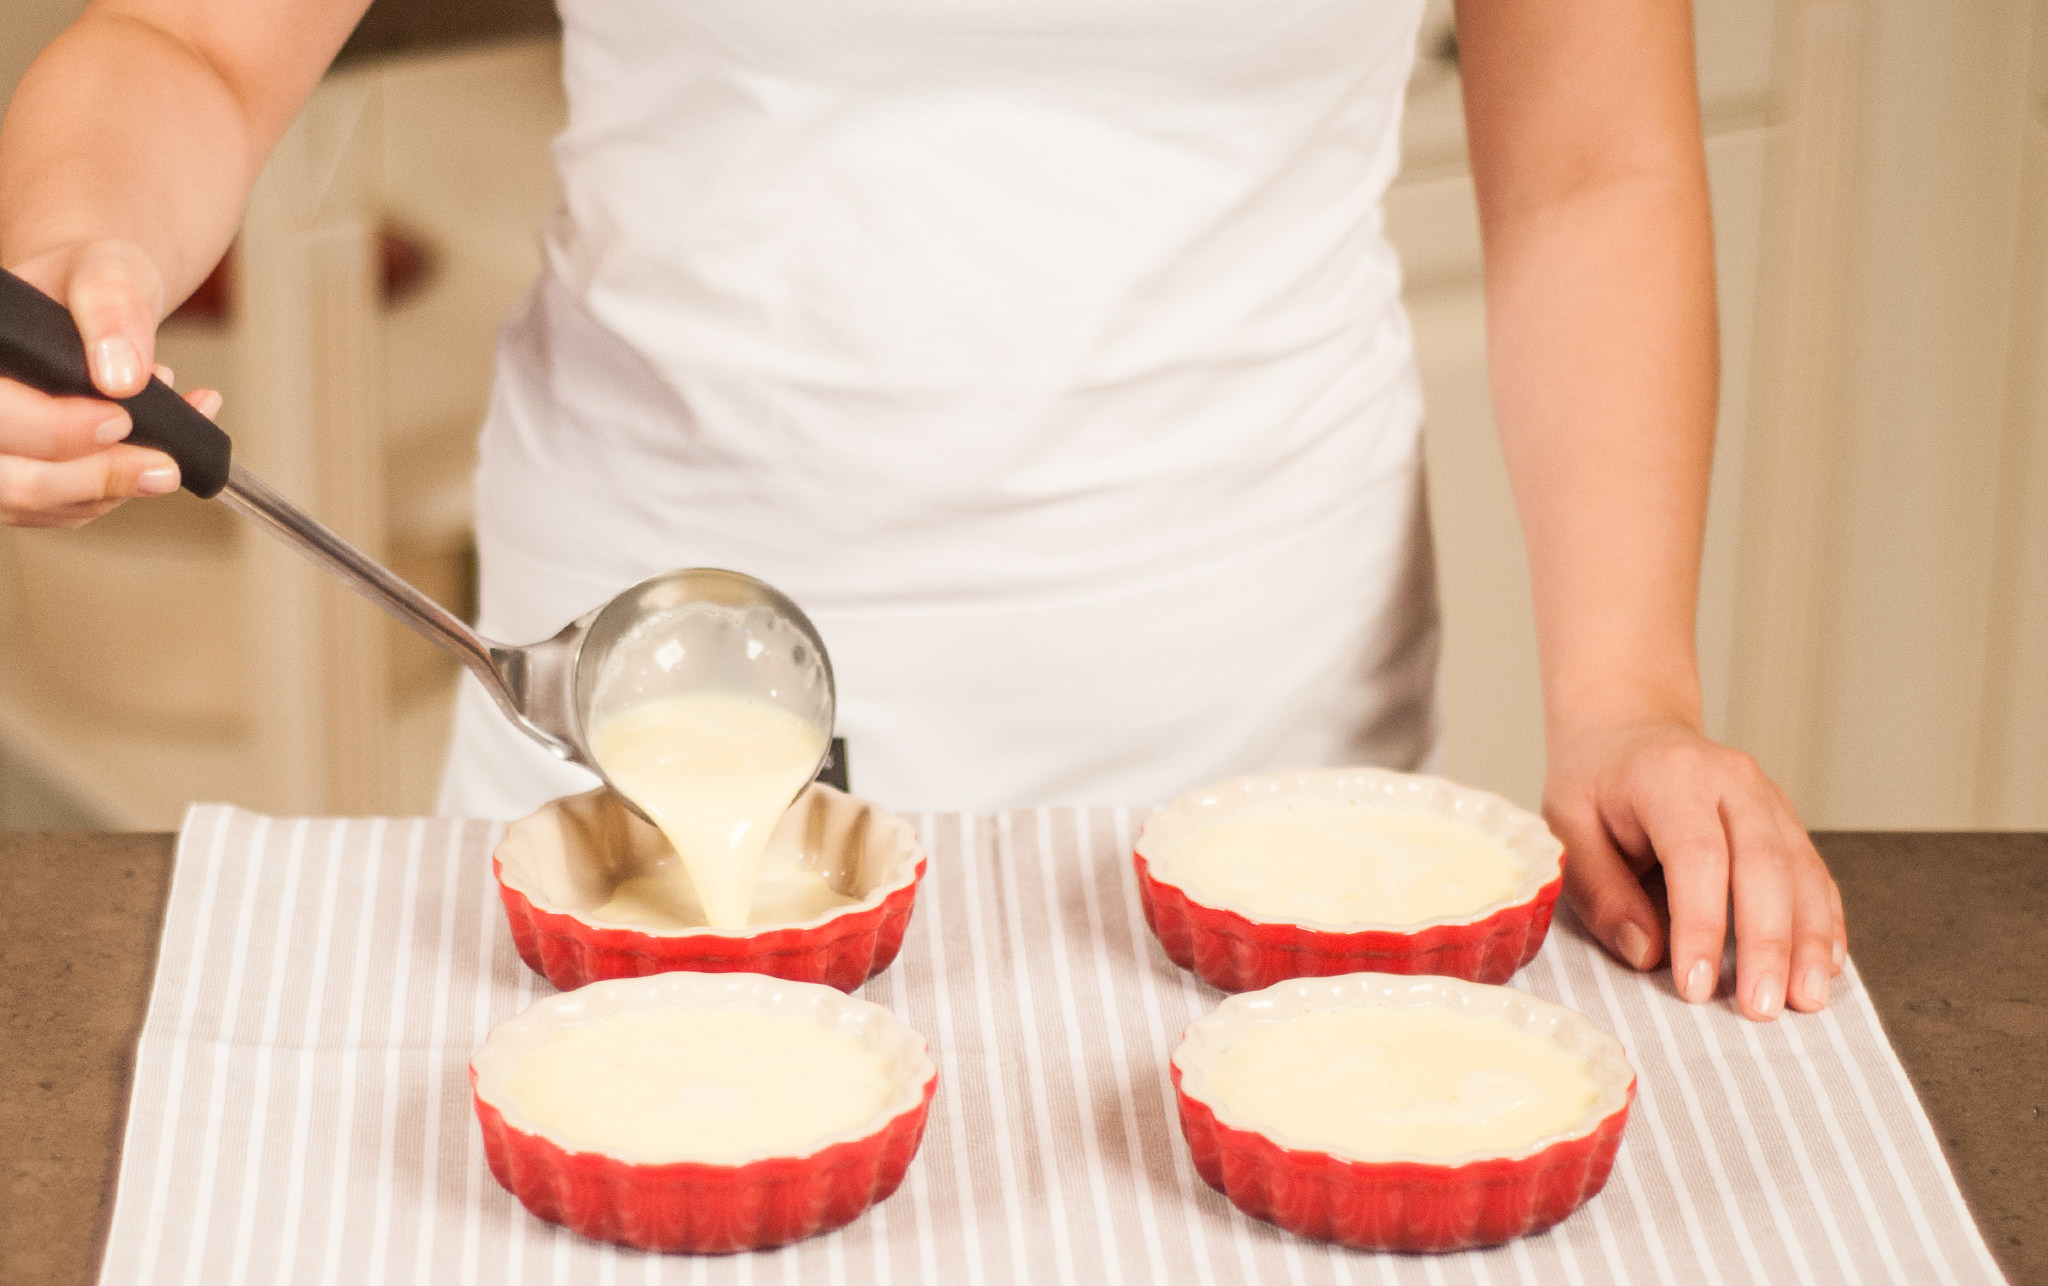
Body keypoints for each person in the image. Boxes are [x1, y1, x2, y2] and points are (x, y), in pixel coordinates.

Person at [0, 0, 1843, 1023]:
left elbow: (1591, 167)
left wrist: (1627, 691)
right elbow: (187, 40)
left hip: (1257, 808)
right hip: (625, 795)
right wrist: (81, 241)